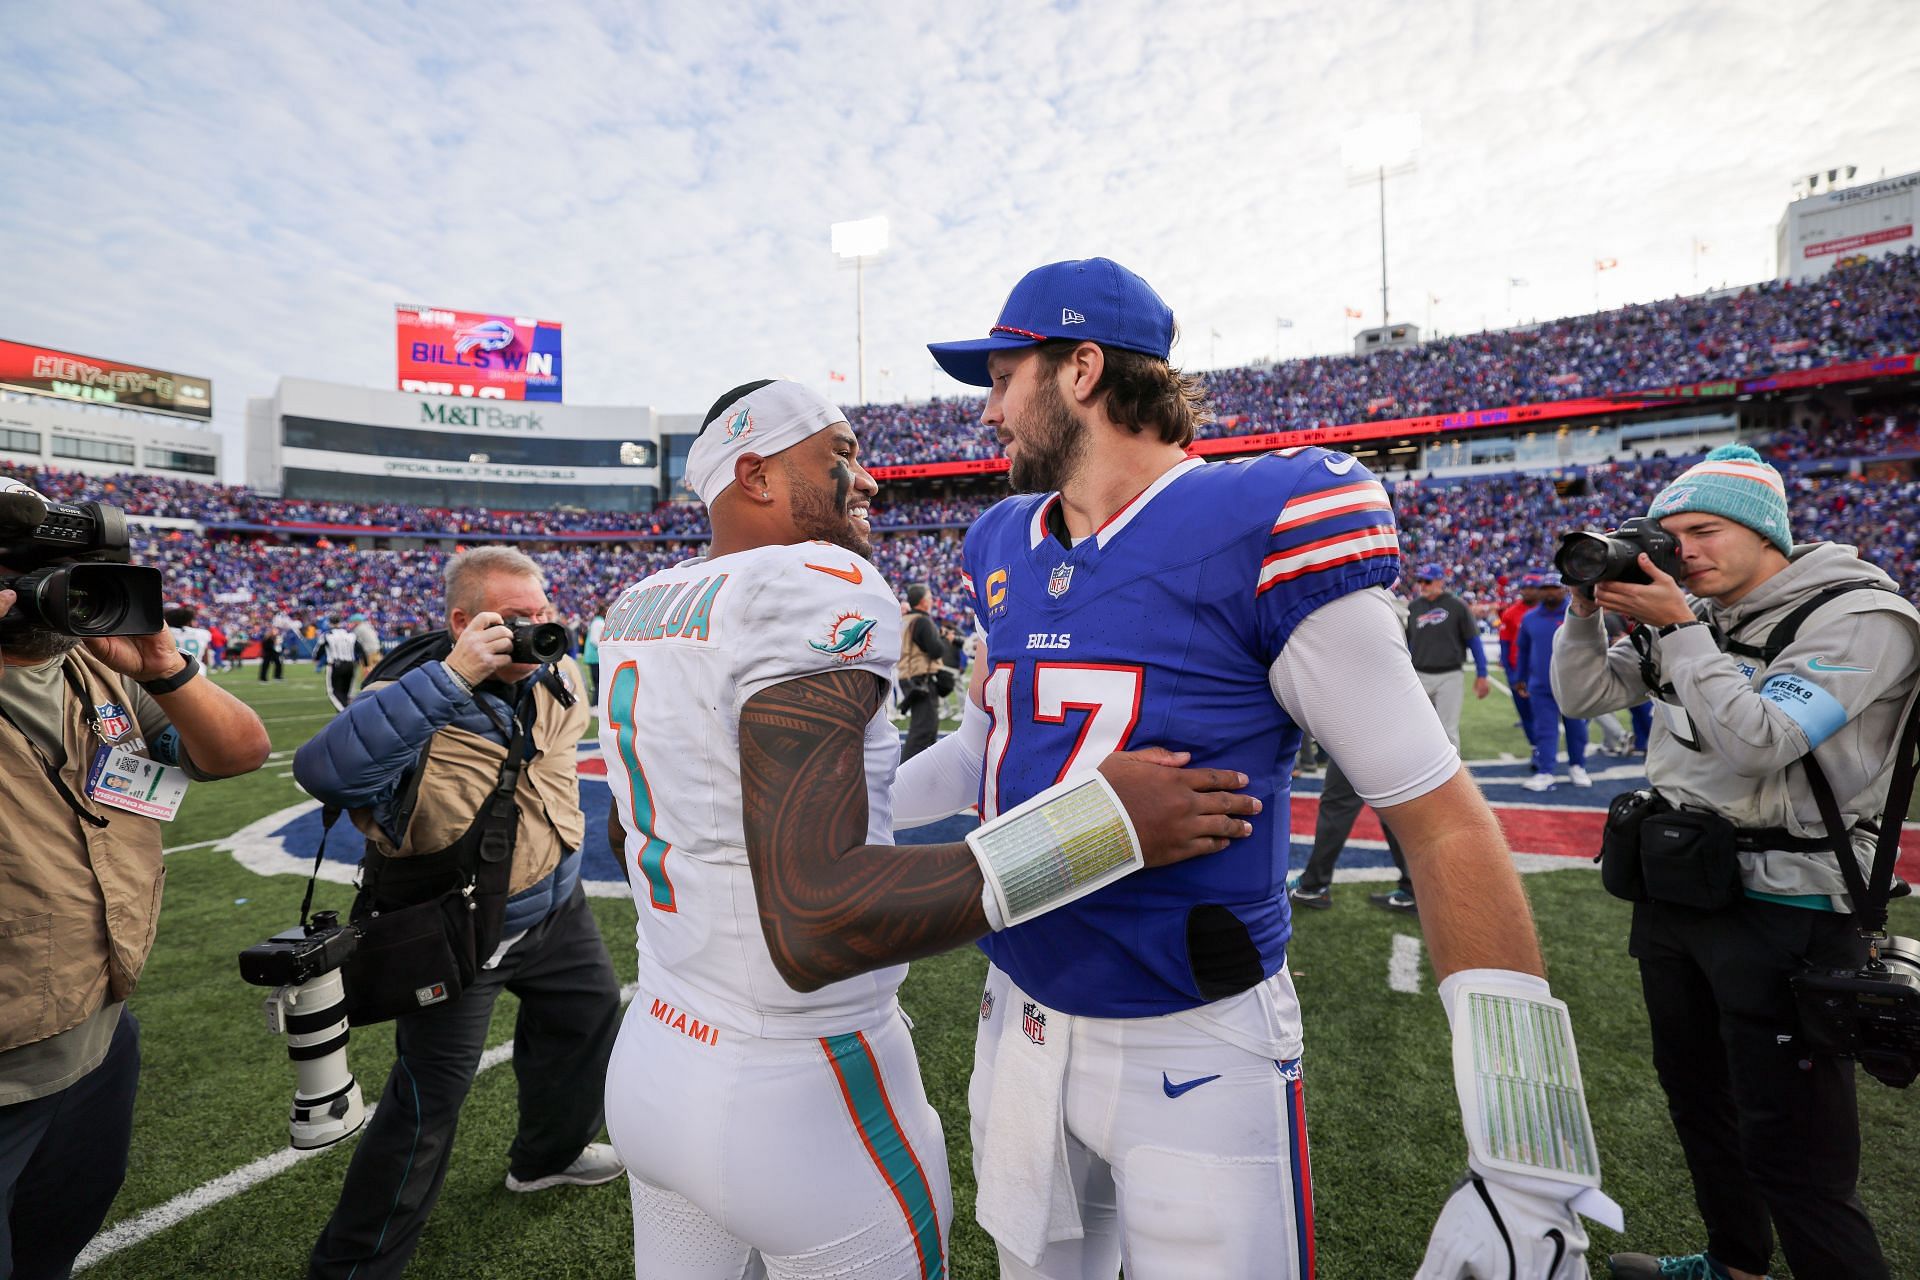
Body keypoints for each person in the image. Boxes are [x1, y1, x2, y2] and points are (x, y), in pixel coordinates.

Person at [925, 258, 1620, 1277]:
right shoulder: (1004, 540)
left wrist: (1527, 1156)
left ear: (1081, 369)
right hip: (1018, 1018)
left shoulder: (1265, 520)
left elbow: (1443, 817)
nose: (987, 412)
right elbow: (976, 748)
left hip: (1193, 1037)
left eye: (1000, 377)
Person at [595, 379, 1258, 1280]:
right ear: (755, 474)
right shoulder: (814, 581)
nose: (867, 479)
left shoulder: (641, 606)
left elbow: (685, 825)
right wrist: (1101, 826)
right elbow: (819, 921)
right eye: (840, 457)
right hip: (798, 1091)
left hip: (655, 1060)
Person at [1552, 444, 1915, 1280]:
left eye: (1705, 531)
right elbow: (1581, 697)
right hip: (1681, 884)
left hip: (1789, 904)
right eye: (1672, 537)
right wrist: (1583, 611)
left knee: (1796, 1147)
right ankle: (1735, 1263)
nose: (1686, 554)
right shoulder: (1704, 615)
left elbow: (1762, 742)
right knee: (1701, 1105)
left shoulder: (1858, 615)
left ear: (1766, 534)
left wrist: (1678, 627)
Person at [293, 546, 624, 1280]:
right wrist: (453, 679)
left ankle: (548, 1157)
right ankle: (354, 1268)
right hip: (454, 925)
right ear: (460, 622)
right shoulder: (413, 693)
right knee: (426, 1107)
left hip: (555, 904)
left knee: (588, 1022)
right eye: (512, 619)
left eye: (541, 614)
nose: (534, 630)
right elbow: (323, 770)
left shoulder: (561, 674)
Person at [0, 484, 271, 1280]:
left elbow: (236, 753)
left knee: (57, 1231)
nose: (50, 592)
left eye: (68, 570)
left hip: (99, 1020)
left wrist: (164, 667)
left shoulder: (94, 665)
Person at [1516, 578, 1592, 790]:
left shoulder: (1577, 615)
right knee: (1545, 730)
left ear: (1563, 589)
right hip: (1541, 685)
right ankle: (1545, 771)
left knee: (1577, 729)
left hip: (1573, 684)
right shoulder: (1529, 618)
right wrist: (1520, 677)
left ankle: (1578, 766)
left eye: (1554, 588)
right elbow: (1523, 649)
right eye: (1545, 588)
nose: (1549, 592)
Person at [898, 581, 948, 760]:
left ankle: (920, 771)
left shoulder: (906, 619)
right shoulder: (922, 621)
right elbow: (936, 650)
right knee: (923, 730)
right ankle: (906, 774)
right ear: (922, 601)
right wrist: (942, 640)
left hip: (909, 677)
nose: (932, 601)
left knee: (923, 728)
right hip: (921, 680)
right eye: (929, 597)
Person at [1499, 572, 1542, 751]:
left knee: (1545, 713)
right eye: (1525, 588)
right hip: (1520, 671)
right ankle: (1535, 747)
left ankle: (1544, 748)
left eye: (1532, 588)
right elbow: (1505, 646)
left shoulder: (1551, 611)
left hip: (1543, 671)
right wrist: (1511, 674)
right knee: (1525, 714)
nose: (1527, 591)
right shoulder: (1510, 613)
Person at [320, 618, 359, 712]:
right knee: (345, 693)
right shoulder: (350, 634)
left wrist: (316, 658)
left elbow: (319, 649)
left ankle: (345, 713)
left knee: (332, 692)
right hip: (350, 665)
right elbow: (359, 649)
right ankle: (345, 712)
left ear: (330, 623)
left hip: (336, 665)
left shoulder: (328, 635)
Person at [350, 612, 381, 683]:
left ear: (357, 621)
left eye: (354, 621)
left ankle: (368, 683)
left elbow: (353, 640)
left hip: (368, 651)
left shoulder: (359, 628)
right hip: (376, 650)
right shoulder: (368, 626)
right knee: (376, 669)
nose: (353, 623)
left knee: (367, 669)